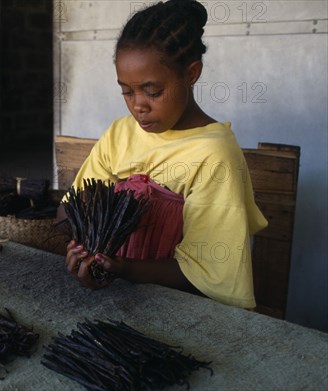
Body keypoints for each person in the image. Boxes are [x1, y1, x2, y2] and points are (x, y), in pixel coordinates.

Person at [62, 0, 267, 309]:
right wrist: (84, 252)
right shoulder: (120, 133)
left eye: (153, 91)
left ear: (192, 73)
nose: (138, 106)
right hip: (110, 299)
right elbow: (69, 210)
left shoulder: (213, 154)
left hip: (177, 308)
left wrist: (123, 268)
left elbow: (209, 272)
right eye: (127, 92)